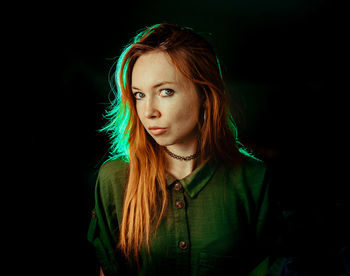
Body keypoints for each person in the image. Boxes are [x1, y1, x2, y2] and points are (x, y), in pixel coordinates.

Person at [87, 23, 279, 275]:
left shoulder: (252, 178)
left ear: (205, 94)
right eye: (139, 95)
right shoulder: (114, 177)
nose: (148, 112)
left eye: (166, 91)